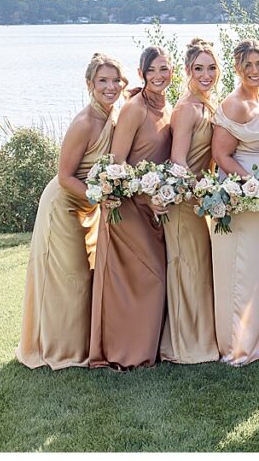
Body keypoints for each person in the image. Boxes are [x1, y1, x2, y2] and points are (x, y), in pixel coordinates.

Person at [17, 53, 126, 369]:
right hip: (63, 206)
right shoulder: (84, 123)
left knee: (86, 278)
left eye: (115, 80)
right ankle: (61, 352)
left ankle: (83, 347)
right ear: (90, 84)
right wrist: (101, 198)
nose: (110, 86)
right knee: (69, 279)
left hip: (88, 206)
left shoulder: (114, 116)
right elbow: (65, 177)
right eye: (102, 81)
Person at [88, 46, 173, 369]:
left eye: (163, 69)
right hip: (127, 207)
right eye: (151, 70)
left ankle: (145, 350)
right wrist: (145, 195)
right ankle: (127, 353)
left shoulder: (169, 108)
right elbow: (118, 164)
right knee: (144, 280)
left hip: (154, 208)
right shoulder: (134, 109)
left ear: (172, 72)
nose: (158, 76)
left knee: (153, 278)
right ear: (141, 74)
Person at [209, 39, 259, 365]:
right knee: (241, 269)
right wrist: (249, 183)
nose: (254, 71)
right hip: (243, 198)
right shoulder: (234, 104)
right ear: (237, 68)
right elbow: (221, 155)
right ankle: (237, 343)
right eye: (247, 65)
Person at [160, 38, 220, 364]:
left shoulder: (208, 104)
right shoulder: (186, 109)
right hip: (183, 203)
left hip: (199, 202)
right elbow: (178, 162)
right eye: (199, 68)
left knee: (199, 269)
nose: (206, 74)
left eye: (211, 67)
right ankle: (184, 345)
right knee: (187, 269)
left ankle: (200, 336)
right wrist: (204, 190)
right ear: (187, 71)